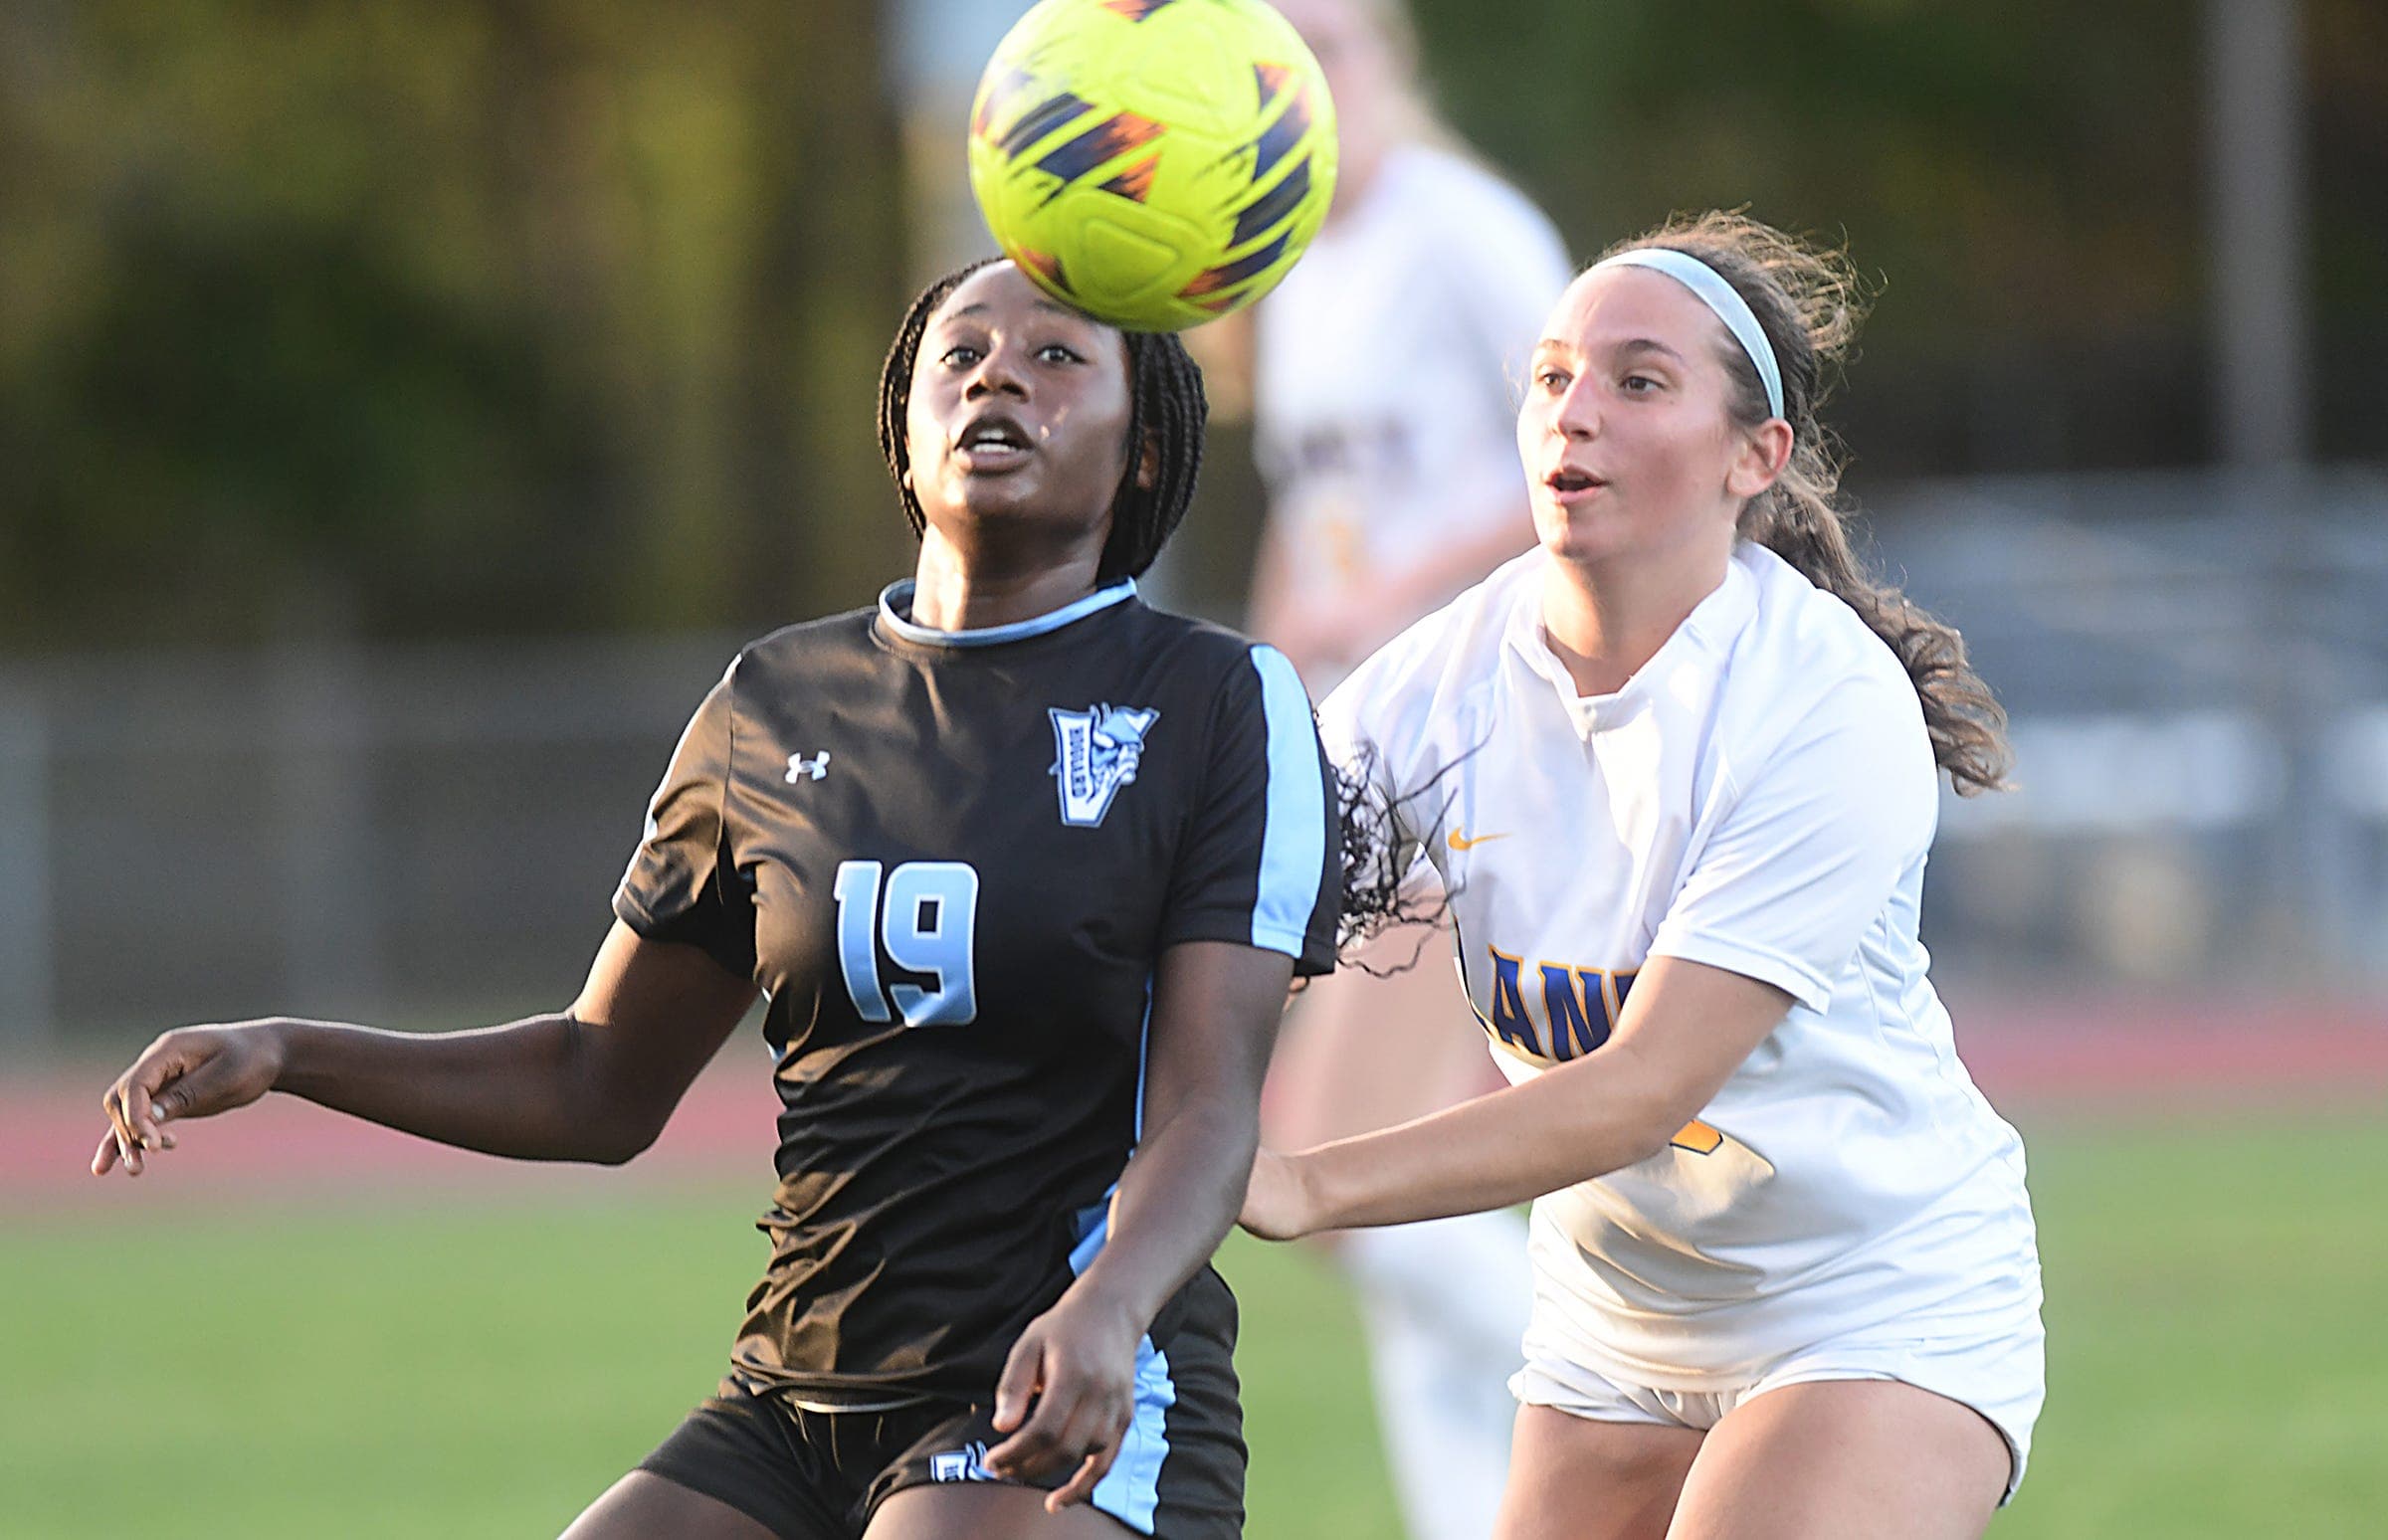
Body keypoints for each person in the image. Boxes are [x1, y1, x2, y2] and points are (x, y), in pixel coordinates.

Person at [91, 258, 1343, 1540]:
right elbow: (597, 1083)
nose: (997, 379)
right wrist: (288, 1053)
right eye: (961, 353)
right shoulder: (776, 705)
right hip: (792, 1403)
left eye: (1057, 357)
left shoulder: (1214, 701)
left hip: (1066, 1382)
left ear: (1144, 452)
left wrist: (1111, 1306)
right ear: (904, 428)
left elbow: (1208, 1106)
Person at [1240, 211, 2046, 1540]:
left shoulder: (1821, 702)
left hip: (1870, 1300)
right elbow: (1244, 918)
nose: (1576, 411)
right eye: (1552, 376)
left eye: (1639, 380)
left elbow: (1642, 1088)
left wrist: (1304, 1182)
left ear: (1754, 457)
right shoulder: (1445, 678)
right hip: (1614, 1327)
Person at [1237, 2, 1574, 1534]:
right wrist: (1263, 694)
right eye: (1284, 47)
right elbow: (1311, 521)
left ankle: (1659, 1400)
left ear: (1392, 53)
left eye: (1336, 39)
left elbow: (1587, 456)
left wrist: (1392, 593)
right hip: (1363, 756)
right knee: (1400, 1182)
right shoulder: (1292, 262)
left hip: (1484, 730)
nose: (1314, 74)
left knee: (1326, 1178)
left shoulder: (1465, 229)